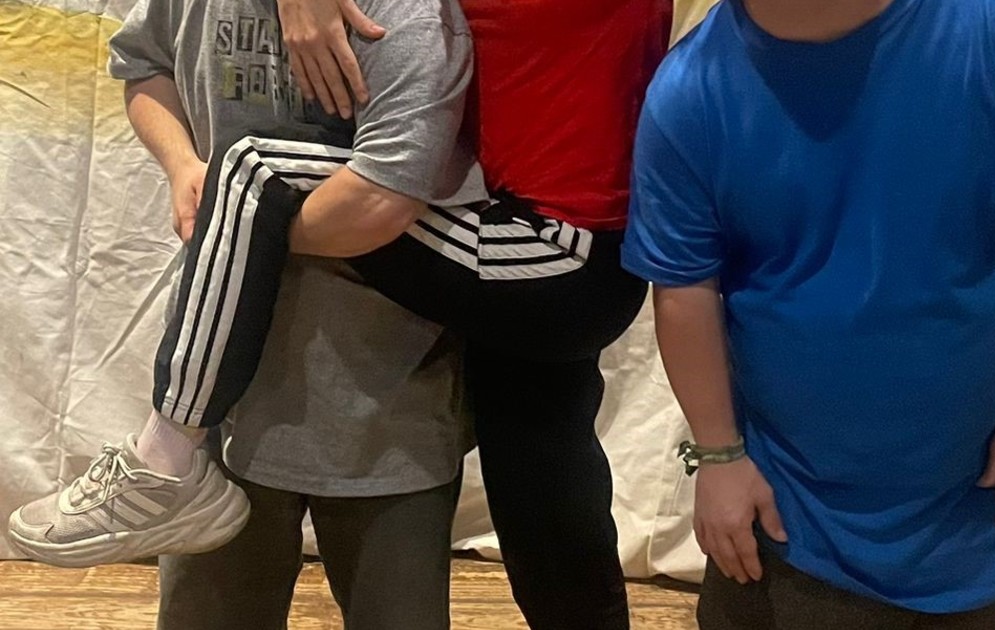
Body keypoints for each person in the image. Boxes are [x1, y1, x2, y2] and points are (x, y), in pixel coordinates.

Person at [10, 1, 673, 629]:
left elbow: (379, 205)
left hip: (490, 315)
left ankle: (162, 456)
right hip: (250, 389)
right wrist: (188, 171)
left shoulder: (413, 19)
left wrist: (240, 222)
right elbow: (142, 62)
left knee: (254, 174)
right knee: (545, 502)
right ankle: (167, 459)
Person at [622, 0, 995, 628]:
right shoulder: (689, 91)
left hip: (973, 493)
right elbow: (684, 287)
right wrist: (718, 456)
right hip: (788, 511)